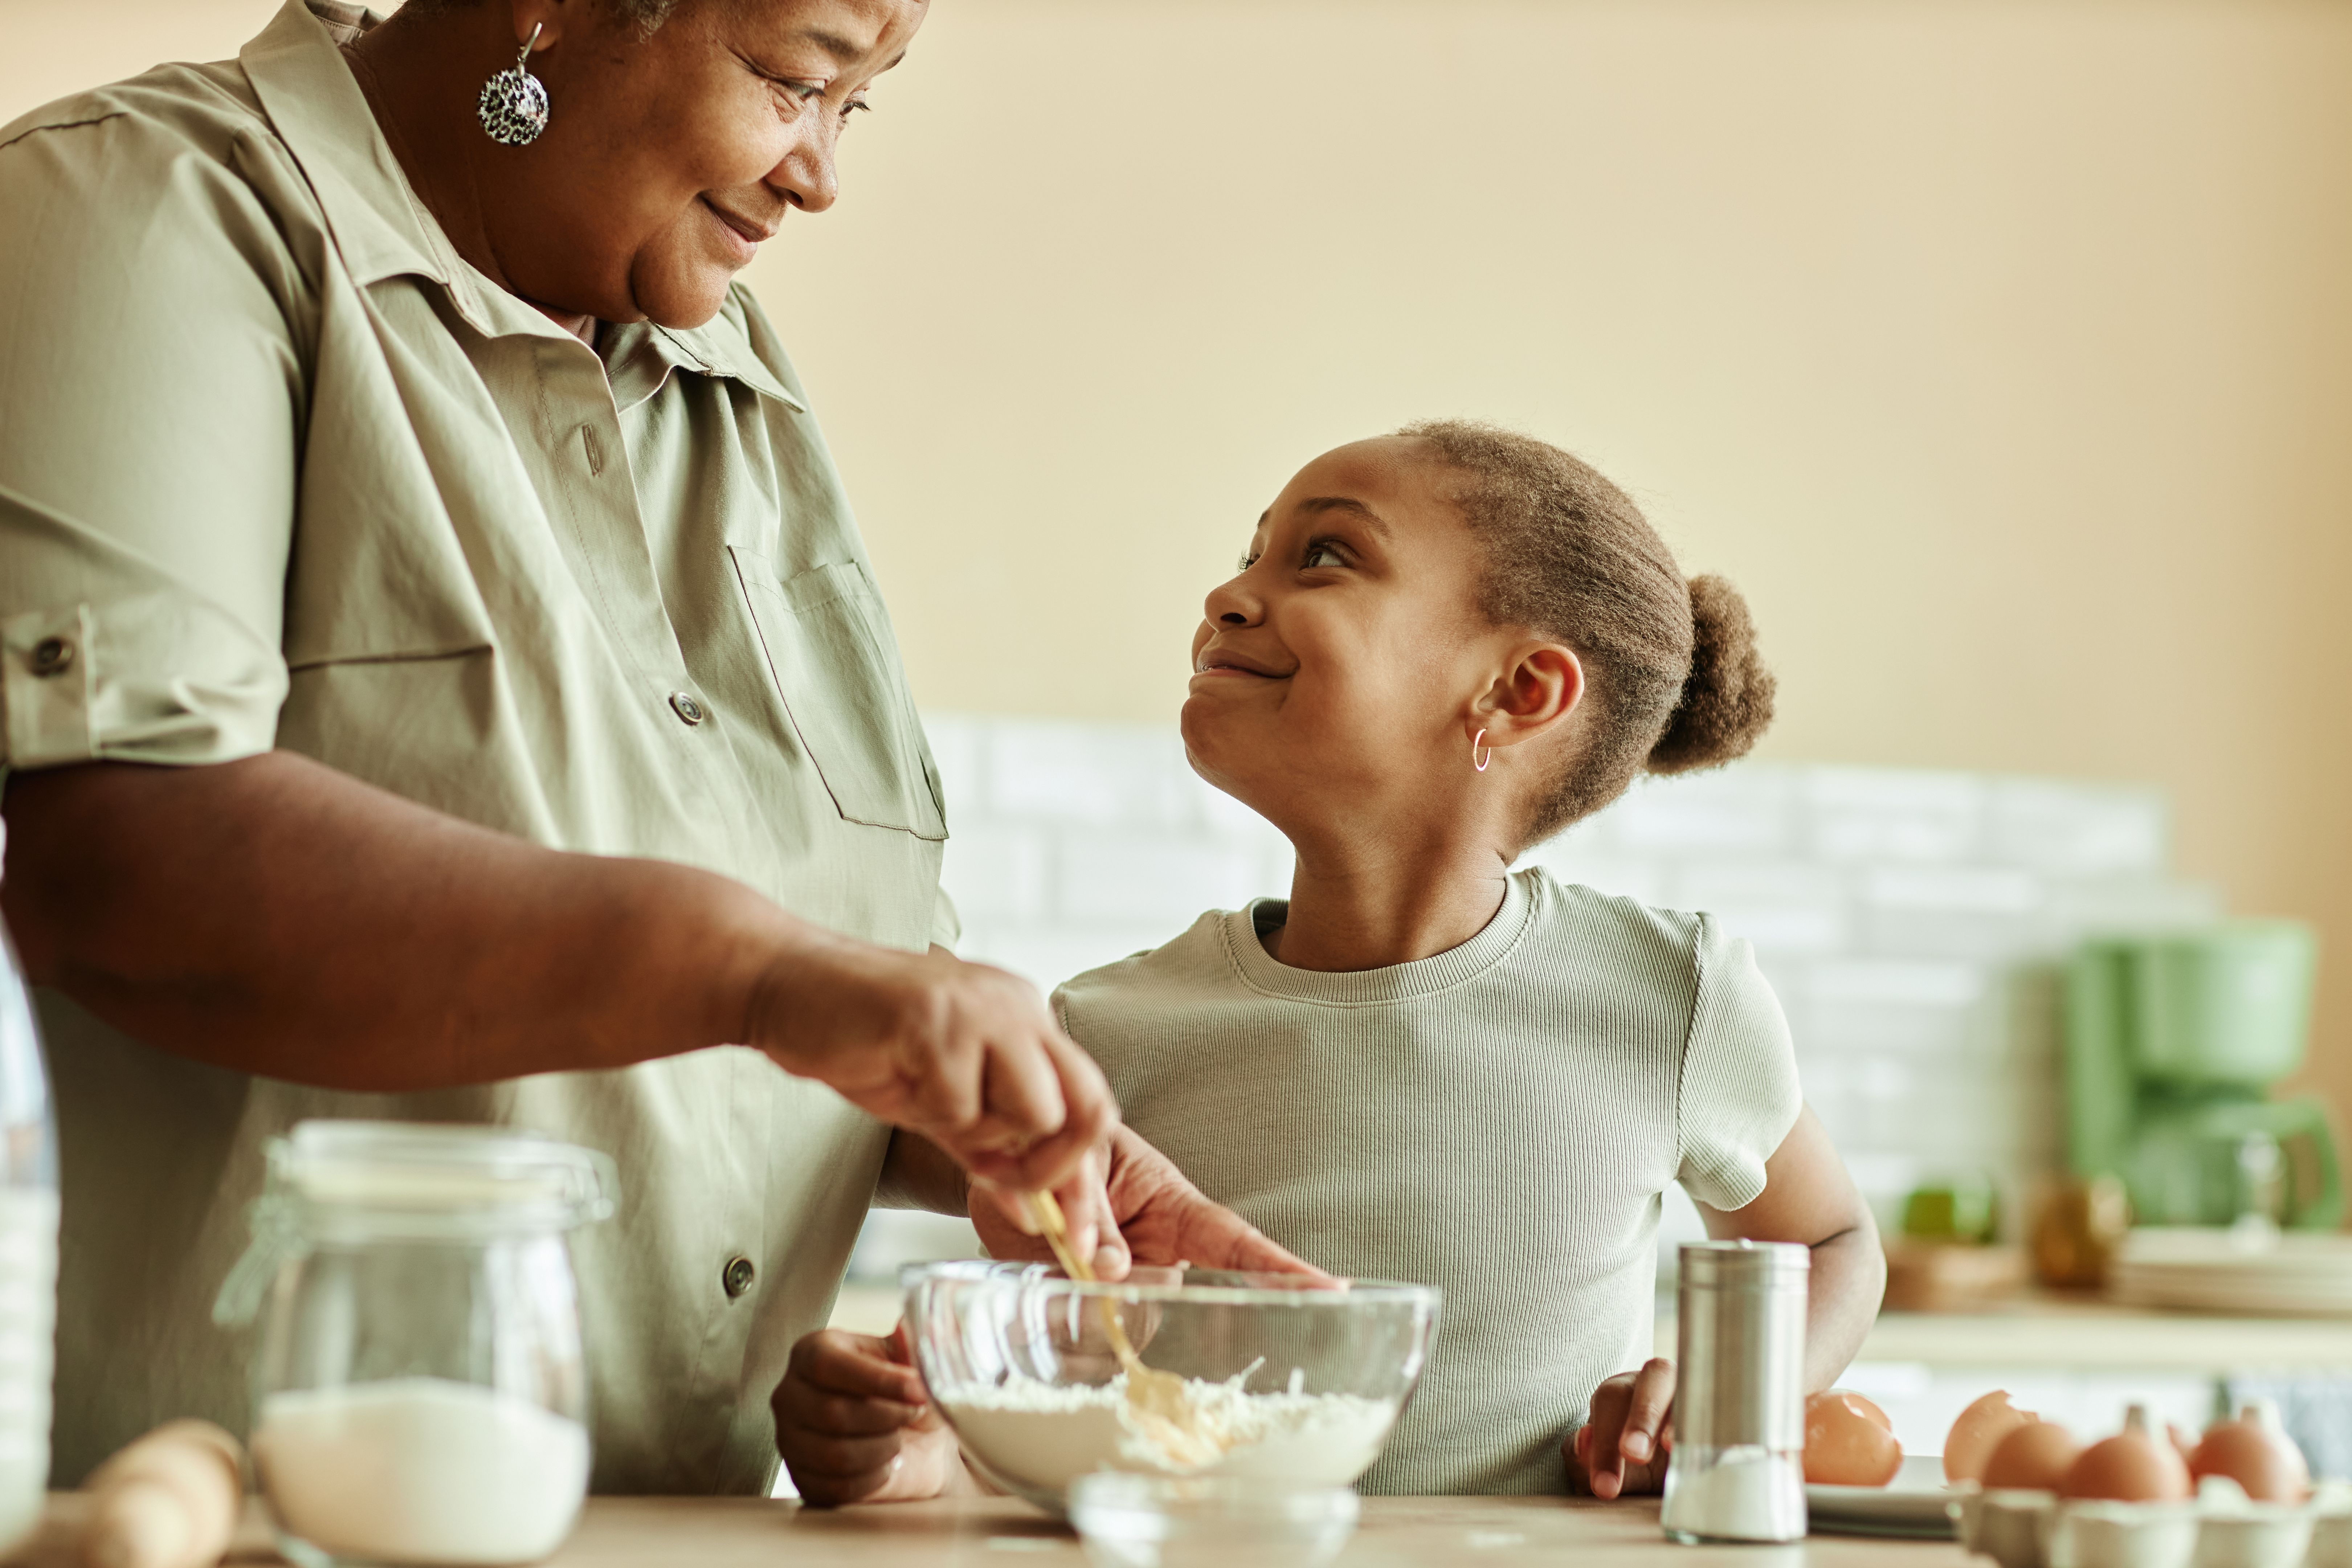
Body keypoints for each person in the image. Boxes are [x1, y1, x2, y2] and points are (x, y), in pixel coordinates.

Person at [0, 0, 1296, 1493]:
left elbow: (789, 984)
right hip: (220, 1517)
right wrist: (777, 980)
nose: (820, 177)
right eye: (796, 81)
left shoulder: (715, 359)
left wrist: (1038, 1160)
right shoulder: (148, 212)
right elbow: (125, 871)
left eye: (856, 108)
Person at [773, 421, 1887, 1501]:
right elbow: (1051, 1387)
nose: (1229, 596)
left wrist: (1744, 1383)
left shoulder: (1669, 995)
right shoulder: (1105, 1031)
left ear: (1516, 692)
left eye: (1324, 556)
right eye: (1250, 553)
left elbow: (1832, 1237)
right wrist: (920, 1447)